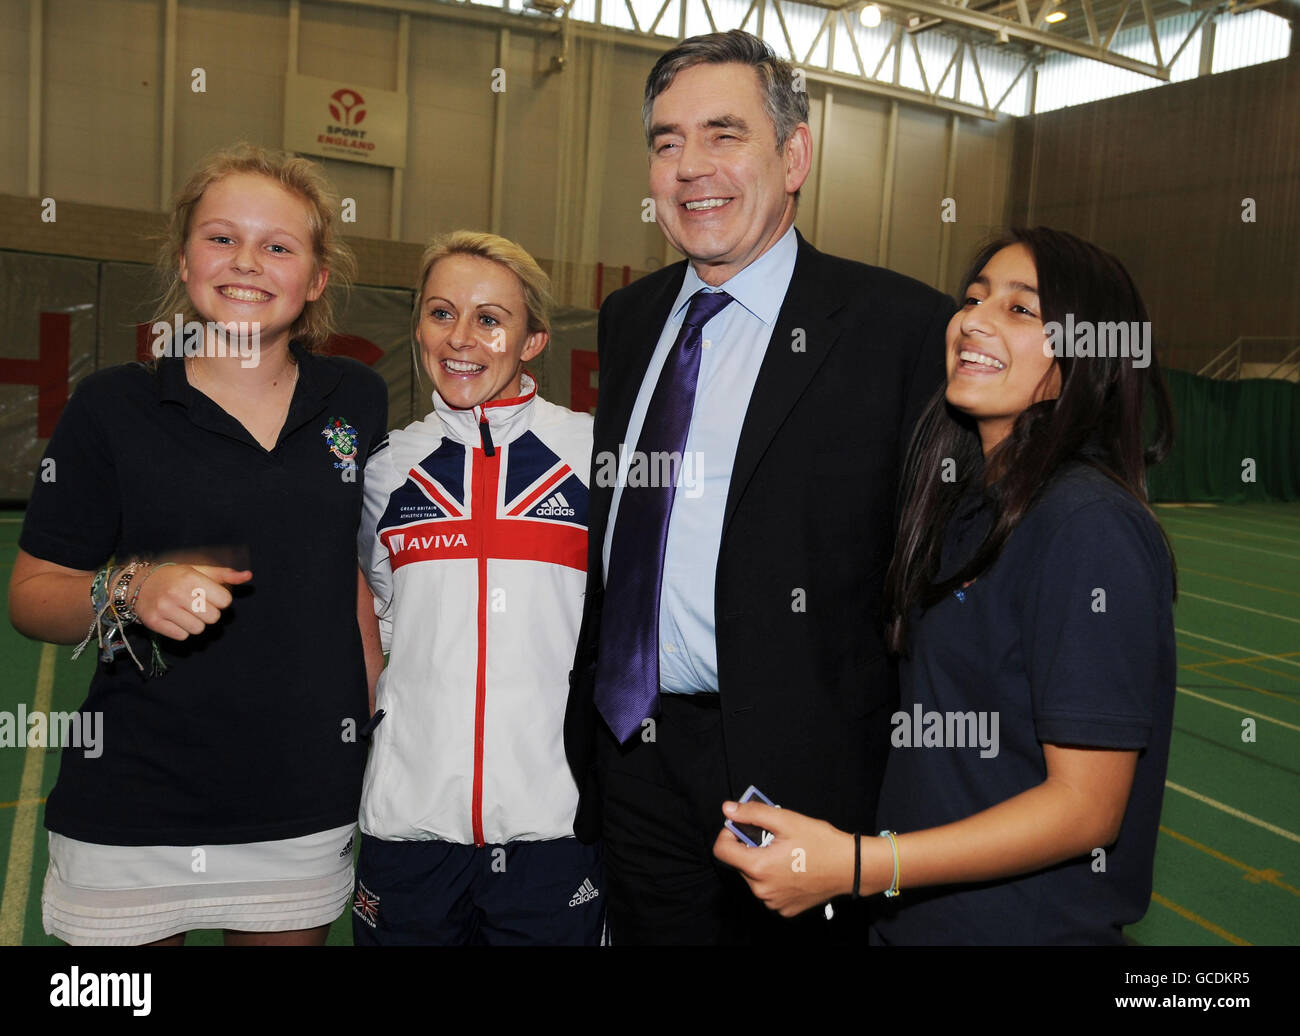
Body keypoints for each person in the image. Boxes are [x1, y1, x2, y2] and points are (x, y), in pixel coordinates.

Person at [562, 28, 952, 944]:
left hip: (806, 775)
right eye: (666, 142)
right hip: (637, 755)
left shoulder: (899, 326)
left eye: (723, 134)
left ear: (794, 154)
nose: (690, 166)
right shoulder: (630, 319)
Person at [713, 227, 1178, 945]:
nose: (974, 320)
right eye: (973, 298)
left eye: (1021, 310)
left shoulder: (1089, 526)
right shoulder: (968, 504)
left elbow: (1086, 809)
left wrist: (863, 865)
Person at [8, 142, 388, 946]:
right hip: (132, 802)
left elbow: (348, 574)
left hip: (302, 800)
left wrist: (383, 718)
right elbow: (33, 593)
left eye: (279, 246)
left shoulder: (355, 398)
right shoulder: (111, 406)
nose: (247, 261)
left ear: (316, 280)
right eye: (222, 238)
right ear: (184, 261)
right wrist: (130, 589)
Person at [353, 231, 602, 946]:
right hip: (409, 830)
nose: (461, 338)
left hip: (553, 833)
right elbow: (379, 613)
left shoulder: (594, 454)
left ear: (532, 341)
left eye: (490, 319)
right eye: (440, 313)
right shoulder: (387, 470)